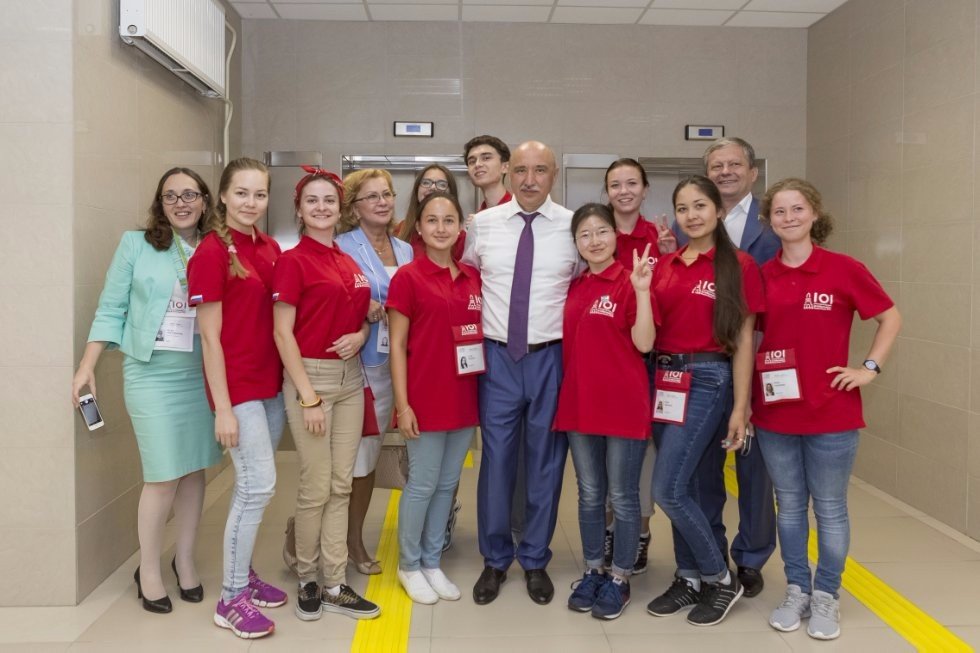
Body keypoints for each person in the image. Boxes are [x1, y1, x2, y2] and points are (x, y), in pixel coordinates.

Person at [753, 178, 900, 640]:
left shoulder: (843, 269)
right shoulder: (762, 275)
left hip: (832, 414)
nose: (789, 218)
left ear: (815, 214)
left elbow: (889, 316)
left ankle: (827, 594)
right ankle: (797, 587)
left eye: (798, 209)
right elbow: (744, 336)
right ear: (769, 220)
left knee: (830, 508)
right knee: (791, 507)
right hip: (776, 412)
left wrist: (869, 368)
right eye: (780, 212)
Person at [72, 168, 223, 614]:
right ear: (160, 202)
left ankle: (185, 559)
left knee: (194, 469)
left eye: (190, 194)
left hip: (200, 371)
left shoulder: (216, 247)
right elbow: (110, 307)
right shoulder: (135, 244)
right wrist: (87, 366)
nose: (181, 202)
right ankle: (150, 571)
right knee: (162, 475)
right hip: (151, 373)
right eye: (170, 195)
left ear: (204, 201)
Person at [462, 140, 580, 606]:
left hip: (551, 358)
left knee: (546, 464)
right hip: (498, 360)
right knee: (495, 463)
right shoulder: (482, 226)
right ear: (509, 173)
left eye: (541, 171)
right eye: (522, 171)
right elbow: (470, 277)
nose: (530, 180)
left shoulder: (574, 226)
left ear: (554, 175)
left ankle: (534, 559)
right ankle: (494, 560)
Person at [646, 175, 765, 627]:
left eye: (700, 206)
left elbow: (743, 339)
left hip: (708, 378)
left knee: (667, 489)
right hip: (665, 380)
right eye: (682, 208)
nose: (691, 215)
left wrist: (741, 406)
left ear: (717, 210)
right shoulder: (667, 263)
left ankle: (720, 577)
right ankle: (688, 576)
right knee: (694, 485)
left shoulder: (739, 266)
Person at [272, 166, 380, 622]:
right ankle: (308, 578)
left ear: (341, 209)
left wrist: (360, 331)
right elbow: (282, 333)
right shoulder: (293, 260)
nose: (322, 208)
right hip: (312, 380)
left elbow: (359, 312)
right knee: (316, 487)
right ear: (299, 209)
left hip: (351, 380)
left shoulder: (347, 259)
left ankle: (336, 582)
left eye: (329, 201)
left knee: (341, 485)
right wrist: (308, 398)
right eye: (312, 200)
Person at [675, 137, 780, 597]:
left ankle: (751, 557)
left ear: (753, 172)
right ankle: (710, 552)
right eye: (715, 165)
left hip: (764, 358)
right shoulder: (685, 232)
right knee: (703, 468)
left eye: (734, 164)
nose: (724, 171)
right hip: (707, 366)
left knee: (755, 467)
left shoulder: (773, 224)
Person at [187, 157, 287, 640]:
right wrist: (223, 407)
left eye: (260, 194)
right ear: (222, 196)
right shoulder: (210, 252)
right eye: (242, 193)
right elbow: (210, 338)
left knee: (257, 488)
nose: (251, 202)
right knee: (256, 486)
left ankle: (244, 575)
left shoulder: (268, 247)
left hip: (270, 387)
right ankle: (230, 598)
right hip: (238, 390)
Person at [554, 203, 656, 620]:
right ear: (576, 243)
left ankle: (620, 577)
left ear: (616, 236)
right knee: (590, 494)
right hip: (579, 404)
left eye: (601, 232)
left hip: (623, 406)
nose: (593, 241)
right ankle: (594, 570)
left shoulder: (630, 282)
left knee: (624, 497)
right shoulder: (575, 286)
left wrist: (644, 291)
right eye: (584, 235)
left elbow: (645, 343)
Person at [388, 191, 482, 604]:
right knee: (422, 485)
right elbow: (396, 346)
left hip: (463, 397)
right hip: (423, 400)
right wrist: (403, 404)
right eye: (432, 220)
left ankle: (430, 561)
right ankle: (408, 565)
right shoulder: (408, 277)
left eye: (449, 220)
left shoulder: (472, 277)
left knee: (447, 485)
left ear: (460, 227)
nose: (441, 228)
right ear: (419, 228)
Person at [601, 157, 677, 575]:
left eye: (632, 183)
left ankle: (642, 532)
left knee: (642, 454)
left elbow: (670, 299)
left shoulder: (661, 238)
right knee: (606, 455)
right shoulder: (596, 234)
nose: (624, 190)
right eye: (615, 184)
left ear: (646, 190)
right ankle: (612, 530)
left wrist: (667, 256)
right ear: (607, 191)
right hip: (607, 361)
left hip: (648, 360)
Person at [335, 168, 404, 575]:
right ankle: (339, 540)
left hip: (388, 369)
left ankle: (352, 535)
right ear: (355, 207)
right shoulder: (341, 247)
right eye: (371, 196)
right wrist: (362, 311)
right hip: (350, 368)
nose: (382, 201)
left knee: (369, 459)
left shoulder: (407, 250)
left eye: (387, 194)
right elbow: (332, 299)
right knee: (346, 462)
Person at [397, 164, 463, 259]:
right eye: (426, 182)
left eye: (442, 184)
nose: (432, 187)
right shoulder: (401, 229)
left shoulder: (461, 237)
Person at [464, 135, 512, 212]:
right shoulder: (477, 218)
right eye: (472, 161)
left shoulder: (520, 212)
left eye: (486, 158)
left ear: (505, 167)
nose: (477, 164)